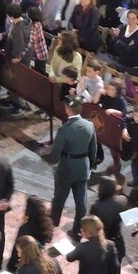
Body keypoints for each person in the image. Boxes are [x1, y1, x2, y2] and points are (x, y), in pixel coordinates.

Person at [46, 96, 97, 236]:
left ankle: (53, 224)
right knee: (81, 202)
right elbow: (93, 149)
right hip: (83, 167)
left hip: (66, 168)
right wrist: (90, 165)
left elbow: (56, 154)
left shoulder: (64, 130)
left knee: (59, 199)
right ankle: (78, 231)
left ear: (67, 109)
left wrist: (51, 160)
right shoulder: (89, 125)